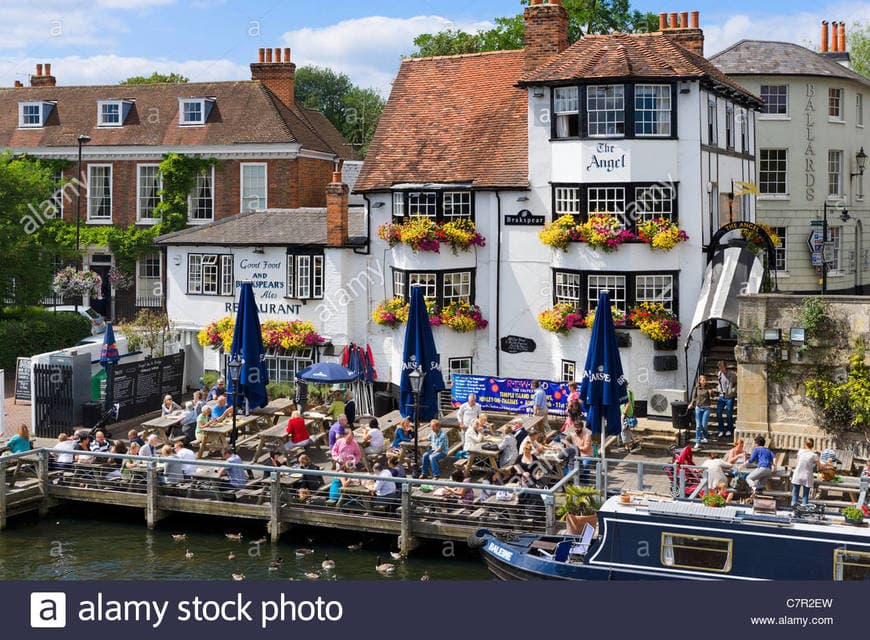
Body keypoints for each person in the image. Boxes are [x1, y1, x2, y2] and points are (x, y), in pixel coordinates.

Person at [791, 438, 820, 507]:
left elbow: (797, 462)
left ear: (805, 444)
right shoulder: (814, 455)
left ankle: (794, 510)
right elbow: (820, 466)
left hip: (797, 474)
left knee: (795, 494)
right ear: (813, 445)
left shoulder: (800, 452)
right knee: (805, 495)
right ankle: (804, 509)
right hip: (807, 476)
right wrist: (827, 465)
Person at [688, 375, 713, 450]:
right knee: (698, 425)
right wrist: (691, 404)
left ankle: (705, 436)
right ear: (700, 381)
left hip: (706, 408)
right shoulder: (697, 388)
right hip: (698, 408)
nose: (704, 381)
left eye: (705, 380)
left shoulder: (708, 388)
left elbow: (713, 396)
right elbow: (694, 397)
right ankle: (697, 442)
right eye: (703, 380)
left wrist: (711, 392)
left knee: (704, 425)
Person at [715, 361, 738, 437]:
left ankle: (730, 429)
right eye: (719, 367)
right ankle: (721, 429)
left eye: (721, 367)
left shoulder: (731, 374)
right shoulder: (719, 374)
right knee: (718, 412)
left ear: (725, 367)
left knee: (729, 413)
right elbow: (719, 383)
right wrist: (718, 388)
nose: (720, 369)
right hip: (721, 396)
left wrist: (733, 390)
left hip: (729, 397)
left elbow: (737, 383)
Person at [621, 387, 640, 452]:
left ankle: (628, 447)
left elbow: (627, 403)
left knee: (624, 429)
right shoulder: (628, 390)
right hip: (627, 412)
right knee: (626, 429)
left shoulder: (625, 391)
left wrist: (624, 414)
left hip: (626, 413)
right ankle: (633, 444)